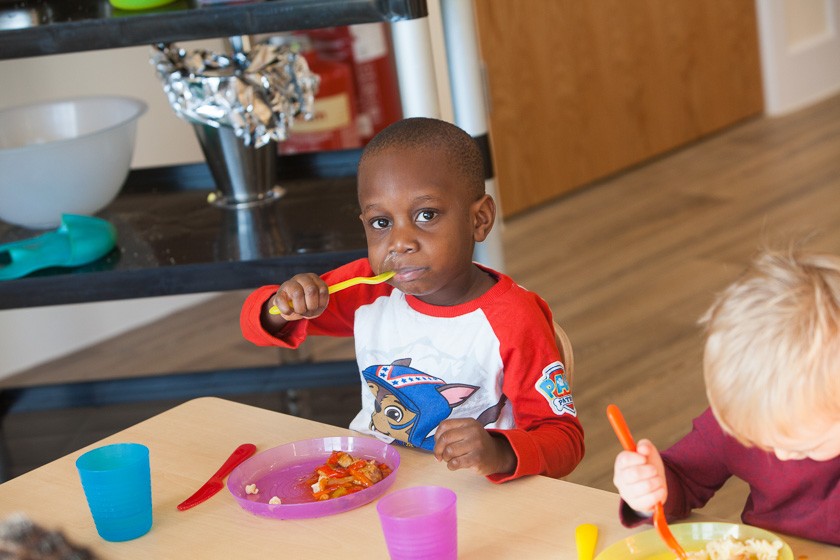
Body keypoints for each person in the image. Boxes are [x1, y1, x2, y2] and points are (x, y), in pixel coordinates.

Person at [241, 117, 584, 482]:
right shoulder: (369, 288)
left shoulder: (514, 319)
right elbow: (254, 325)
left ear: (479, 219)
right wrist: (283, 305)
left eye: (426, 215)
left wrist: (498, 451)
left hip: (477, 500)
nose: (400, 242)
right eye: (381, 223)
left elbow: (564, 440)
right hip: (372, 480)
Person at [612, 247, 840, 545]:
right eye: (765, 442)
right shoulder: (745, 415)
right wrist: (648, 490)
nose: (782, 455)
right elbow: (682, 477)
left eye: (805, 447)